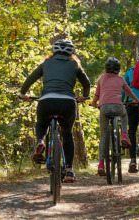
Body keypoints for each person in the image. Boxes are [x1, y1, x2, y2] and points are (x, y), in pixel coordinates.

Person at [19, 39, 91, 183]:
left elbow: (30, 79)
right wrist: (85, 95)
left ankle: (40, 141)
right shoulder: (74, 64)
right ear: (71, 53)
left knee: (41, 124)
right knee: (67, 135)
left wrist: (23, 94)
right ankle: (69, 170)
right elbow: (86, 83)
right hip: (68, 102)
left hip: (46, 100)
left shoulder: (46, 63)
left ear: (54, 51)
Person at [91, 58, 139, 176]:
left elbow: (97, 95)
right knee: (124, 114)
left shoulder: (102, 78)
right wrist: (136, 100)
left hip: (104, 108)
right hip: (118, 107)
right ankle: (124, 134)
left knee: (103, 136)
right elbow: (129, 92)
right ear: (118, 69)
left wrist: (94, 104)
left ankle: (101, 164)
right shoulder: (120, 79)